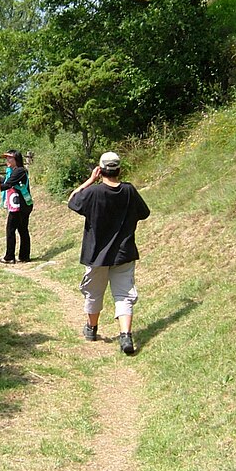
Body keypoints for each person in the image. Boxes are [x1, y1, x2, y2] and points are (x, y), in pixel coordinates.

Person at [68, 151, 150, 354]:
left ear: (100, 170)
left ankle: (91, 329)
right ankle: (126, 336)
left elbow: (72, 200)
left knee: (94, 293)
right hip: (124, 253)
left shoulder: (93, 192)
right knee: (124, 295)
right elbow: (144, 213)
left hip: (96, 255)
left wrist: (89, 180)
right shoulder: (129, 191)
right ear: (119, 170)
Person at [0, 149, 34, 264]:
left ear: (16, 159)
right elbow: (8, 180)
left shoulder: (18, 171)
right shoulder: (17, 171)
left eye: (10, 157)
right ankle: (24, 256)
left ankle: (9, 257)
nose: (7, 160)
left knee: (11, 230)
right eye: (7, 157)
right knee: (22, 230)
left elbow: (6, 185)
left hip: (19, 206)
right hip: (24, 205)